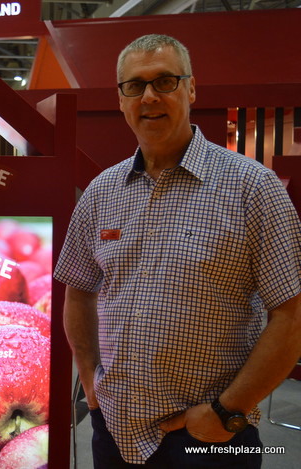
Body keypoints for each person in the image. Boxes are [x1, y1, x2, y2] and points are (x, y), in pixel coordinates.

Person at [54, 34, 301, 468]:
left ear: (191, 89)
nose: (149, 97)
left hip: (210, 438)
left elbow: (291, 315)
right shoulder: (101, 192)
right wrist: (91, 385)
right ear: (121, 100)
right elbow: (78, 290)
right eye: (135, 85)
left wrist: (226, 411)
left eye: (165, 81)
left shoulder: (253, 188)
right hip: (114, 431)